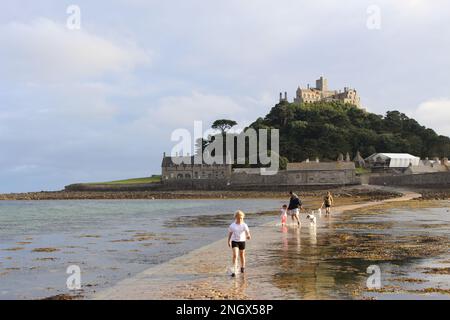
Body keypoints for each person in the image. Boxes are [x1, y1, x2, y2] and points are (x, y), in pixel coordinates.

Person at [227, 210, 251, 277]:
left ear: (243, 218)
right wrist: (228, 241)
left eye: (241, 218)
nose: (240, 219)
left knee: (242, 255)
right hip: (234, 241)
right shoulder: (232, 225)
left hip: (242, 241)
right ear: (236, 217)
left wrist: (248, 235)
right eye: (238, 218)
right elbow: (230, 233)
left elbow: (248, 232)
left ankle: (242, 267)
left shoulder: (244, 225)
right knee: (235, 255)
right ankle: (234, 270)